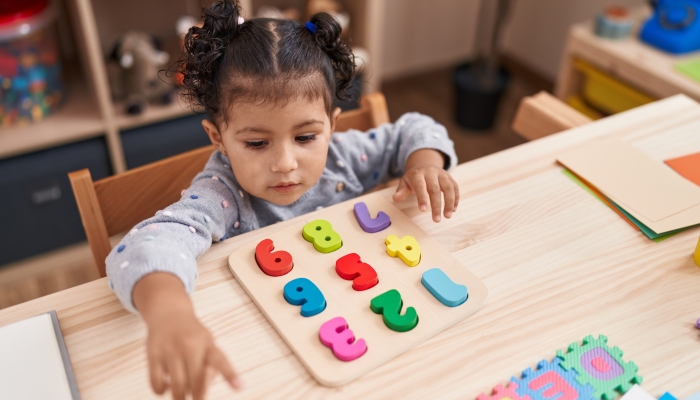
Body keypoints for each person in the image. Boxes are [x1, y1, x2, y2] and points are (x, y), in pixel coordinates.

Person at [106, 1, 459, 398]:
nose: (286, 164)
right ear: (218, 138)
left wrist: (425, 164)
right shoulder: (223, 194)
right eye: (257, 143)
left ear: (332, 126)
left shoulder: (344, 156)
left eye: (306, 137)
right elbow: (153, 242)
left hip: (373, 337)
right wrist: (170, 312)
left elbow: (414, 127)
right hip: (280, 361)